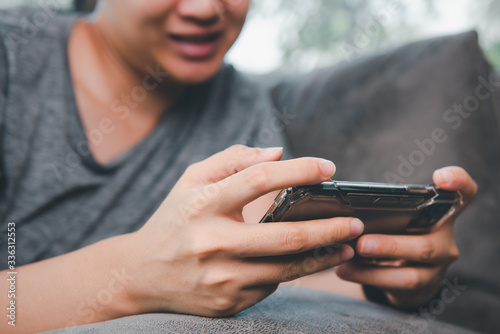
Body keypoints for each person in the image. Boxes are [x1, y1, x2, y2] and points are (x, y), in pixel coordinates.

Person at [0, 1, 477, 332]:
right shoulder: (12, 58)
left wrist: (394, 278)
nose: (206, 8)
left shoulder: (240, 108)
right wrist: (131, 276)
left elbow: (267, 274)